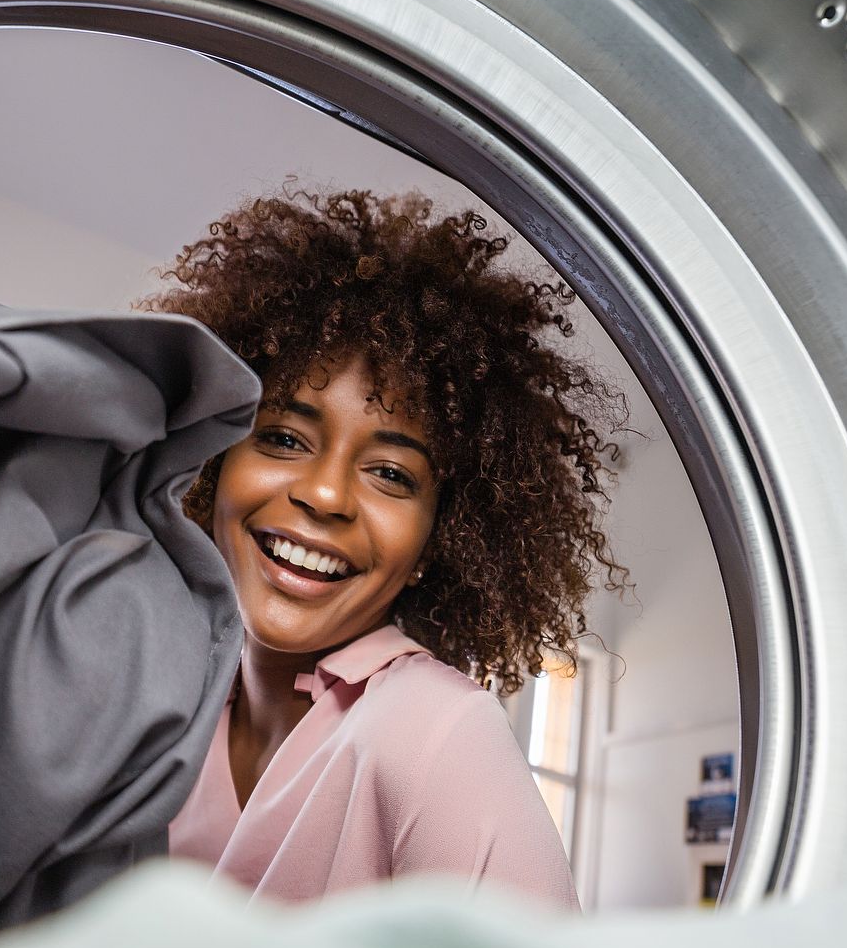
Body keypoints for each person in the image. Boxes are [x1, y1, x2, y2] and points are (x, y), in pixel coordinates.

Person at [142, 188, 626, 909]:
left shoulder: (438, 733)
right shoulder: (159, 703)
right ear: (212, 466)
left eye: (392, 474)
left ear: (439, 539)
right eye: (282, 438)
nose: (327, 495)